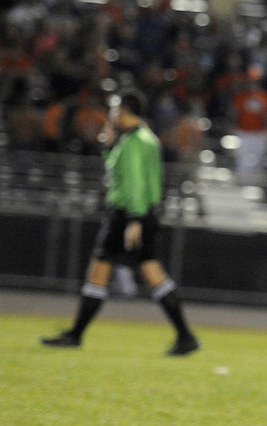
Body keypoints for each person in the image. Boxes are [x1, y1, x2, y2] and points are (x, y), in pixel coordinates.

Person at [40, 91, 200, 356]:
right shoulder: (146, 138)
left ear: (125, 110)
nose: (111, 115)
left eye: (115, 109)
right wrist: (109, 146)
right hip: (143, 212)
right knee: (148, 275)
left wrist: (134, 219)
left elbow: (133, 182)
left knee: (103, 273)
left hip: (128, 214)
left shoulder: (133, 141)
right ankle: (185, 336)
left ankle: (76, 335)